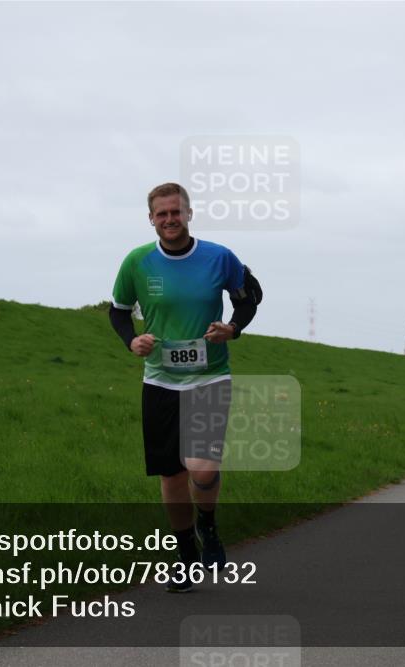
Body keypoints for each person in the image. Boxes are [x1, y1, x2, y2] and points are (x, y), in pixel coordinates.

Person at [109, 182, 261, 592]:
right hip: (159, 380)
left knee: (202, 468)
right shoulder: (137, 262)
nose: (169, 219)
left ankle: (207, 524)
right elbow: (118, 312)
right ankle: (186, 556)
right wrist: (132, 341)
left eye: (176, 212)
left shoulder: (219, 257)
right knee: (172, 475)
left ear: (189, 213)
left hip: (209, 376)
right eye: (161, 214)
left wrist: (233, 327)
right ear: (151, 219)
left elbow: (249, 297)